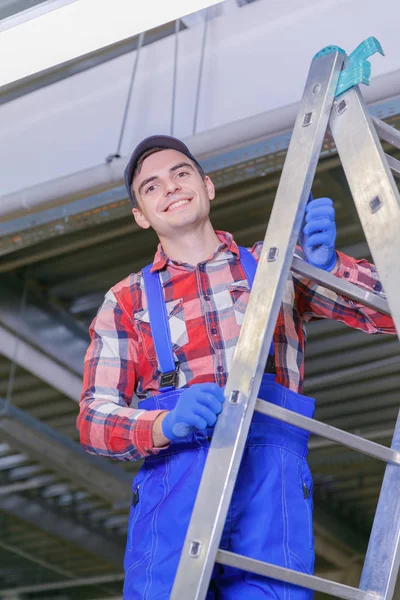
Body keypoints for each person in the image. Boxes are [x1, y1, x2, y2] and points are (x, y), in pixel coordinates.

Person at [77, 135, 395, 599]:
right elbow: (91, 421)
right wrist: (164, 424)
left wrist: (330, 266)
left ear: (207, 187)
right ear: (141, 217)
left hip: (272, 488)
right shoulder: (125, 301)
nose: (170, 187)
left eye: (181, 173)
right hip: (174, 491)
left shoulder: (277, 266)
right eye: (151, 186)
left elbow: (391, 310)